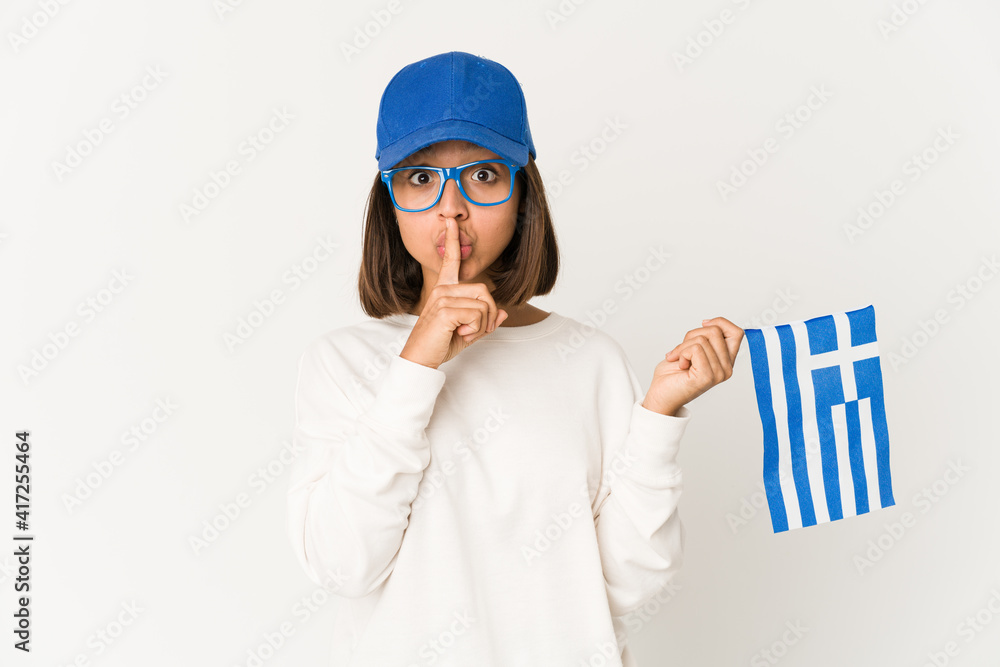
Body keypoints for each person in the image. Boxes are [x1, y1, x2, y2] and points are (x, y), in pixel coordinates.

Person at [286, 50, 743, 666]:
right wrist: (415, 367)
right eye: (420, 179)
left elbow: (631, 581)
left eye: (482, 175)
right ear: (388, 204)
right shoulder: (342, 362)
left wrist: (658, 415)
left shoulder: (590, 361)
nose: (451, 208)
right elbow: (343, 565)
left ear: (524, 191)